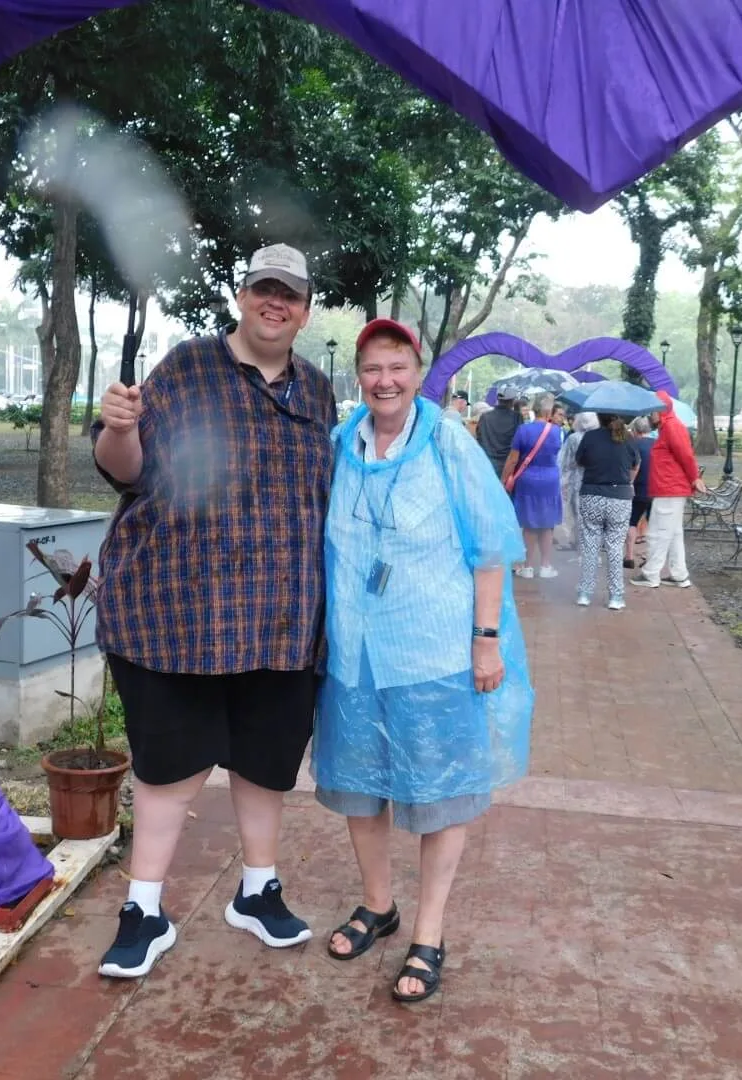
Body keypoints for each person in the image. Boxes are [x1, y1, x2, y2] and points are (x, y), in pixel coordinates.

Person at [90, 243, 337, 978]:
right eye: (265, 288)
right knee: (168, 769)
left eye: (289, 295)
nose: (275, 303)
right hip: (178, 613)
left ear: (304, 309)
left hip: (282, 616)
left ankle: (258, 892)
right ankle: (144, 908)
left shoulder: (318, 392)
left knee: (266, 765)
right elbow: (123, 473)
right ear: (241, 294)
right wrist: (122, 427)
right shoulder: (186, 367)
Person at [315, 318, 532, 1005]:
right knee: (360, 783)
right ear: (359, 375)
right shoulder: (340, 444)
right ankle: (378, 906)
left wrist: (486, 638)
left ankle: (429, 933)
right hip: (354, 651)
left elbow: (490, 546)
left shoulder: (448, 444)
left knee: (438, 793)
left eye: (398, 368)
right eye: (373, 369)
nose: (385, 381)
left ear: (418, 372)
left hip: (432, 649)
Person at [630, 390, 706, 589]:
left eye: (652, 412)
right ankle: (679, 574)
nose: (649, 416)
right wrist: (692, 478)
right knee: (672, 534)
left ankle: (651, 574)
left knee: (658, 532)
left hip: (669, 489)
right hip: (670, 488)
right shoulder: (668, 427)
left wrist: (694, 477)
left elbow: (686, 456)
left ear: (660, 410)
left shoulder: (672, 427)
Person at [575, 413, 638, 610]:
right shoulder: (628, 438)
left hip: (592, 494)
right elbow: (635, 464)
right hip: (620, 497)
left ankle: (585, 593)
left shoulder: (590, 437)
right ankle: (616, 596)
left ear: (599, 418)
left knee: (590, 545)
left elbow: (580, 461)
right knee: (615, 547)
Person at [504, 392, 564, 578]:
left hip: (527, 479)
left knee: (529, 525)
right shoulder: (557, 431)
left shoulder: (523, 430)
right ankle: (545, 566)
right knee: (547, 524)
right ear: (549, 411)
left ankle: (528, 566)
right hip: (550, 480)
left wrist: (504, 479)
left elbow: (513, 459)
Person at [554, 411, 599, 550]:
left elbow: (563, 461)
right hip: (594, 478)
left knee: (576, 511)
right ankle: (589, 545)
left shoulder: (573, 438)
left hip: (576, 479)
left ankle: (578, 543)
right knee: (590, 513)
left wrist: (561, 479)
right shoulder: (598, 437)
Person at [623, 415, 653, 569]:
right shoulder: (657, 444)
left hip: (636, 489)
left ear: (635, 430)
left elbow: (629, 467)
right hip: (655, 490)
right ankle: (650, 557)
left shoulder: (631, 444)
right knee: (653, 525)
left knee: (631, 522)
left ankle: (629, 556)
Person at [475, 386, 521, 476]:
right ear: (512, 401)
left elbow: (479, 437)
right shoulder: (516, 417)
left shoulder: (485, 417)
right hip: (507, 465)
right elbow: (520, 440)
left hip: (487, 463)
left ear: (498, 399)